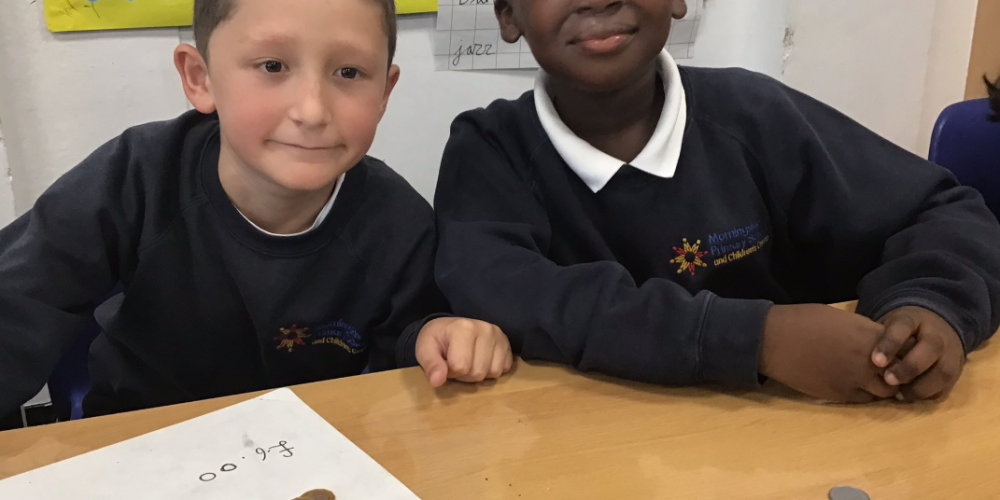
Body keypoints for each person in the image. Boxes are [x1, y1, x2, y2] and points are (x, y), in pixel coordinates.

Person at [433, 0, 1000, 403]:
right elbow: (506, 293)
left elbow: (944, 211)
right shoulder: (489, 151)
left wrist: (932, 305)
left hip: (792, 440)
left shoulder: (755, 114)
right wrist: (757, 341)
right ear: (508, 15)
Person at [0, 0, 512, 420]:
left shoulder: (398, 221)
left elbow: (410, 335)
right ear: (200, 77)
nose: (312, 110)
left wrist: (438, 334)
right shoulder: (136, 176)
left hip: (312, 451)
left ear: (384, 92)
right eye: (272, 66)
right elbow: (18, 303)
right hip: (139, 441)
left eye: (349, 72)